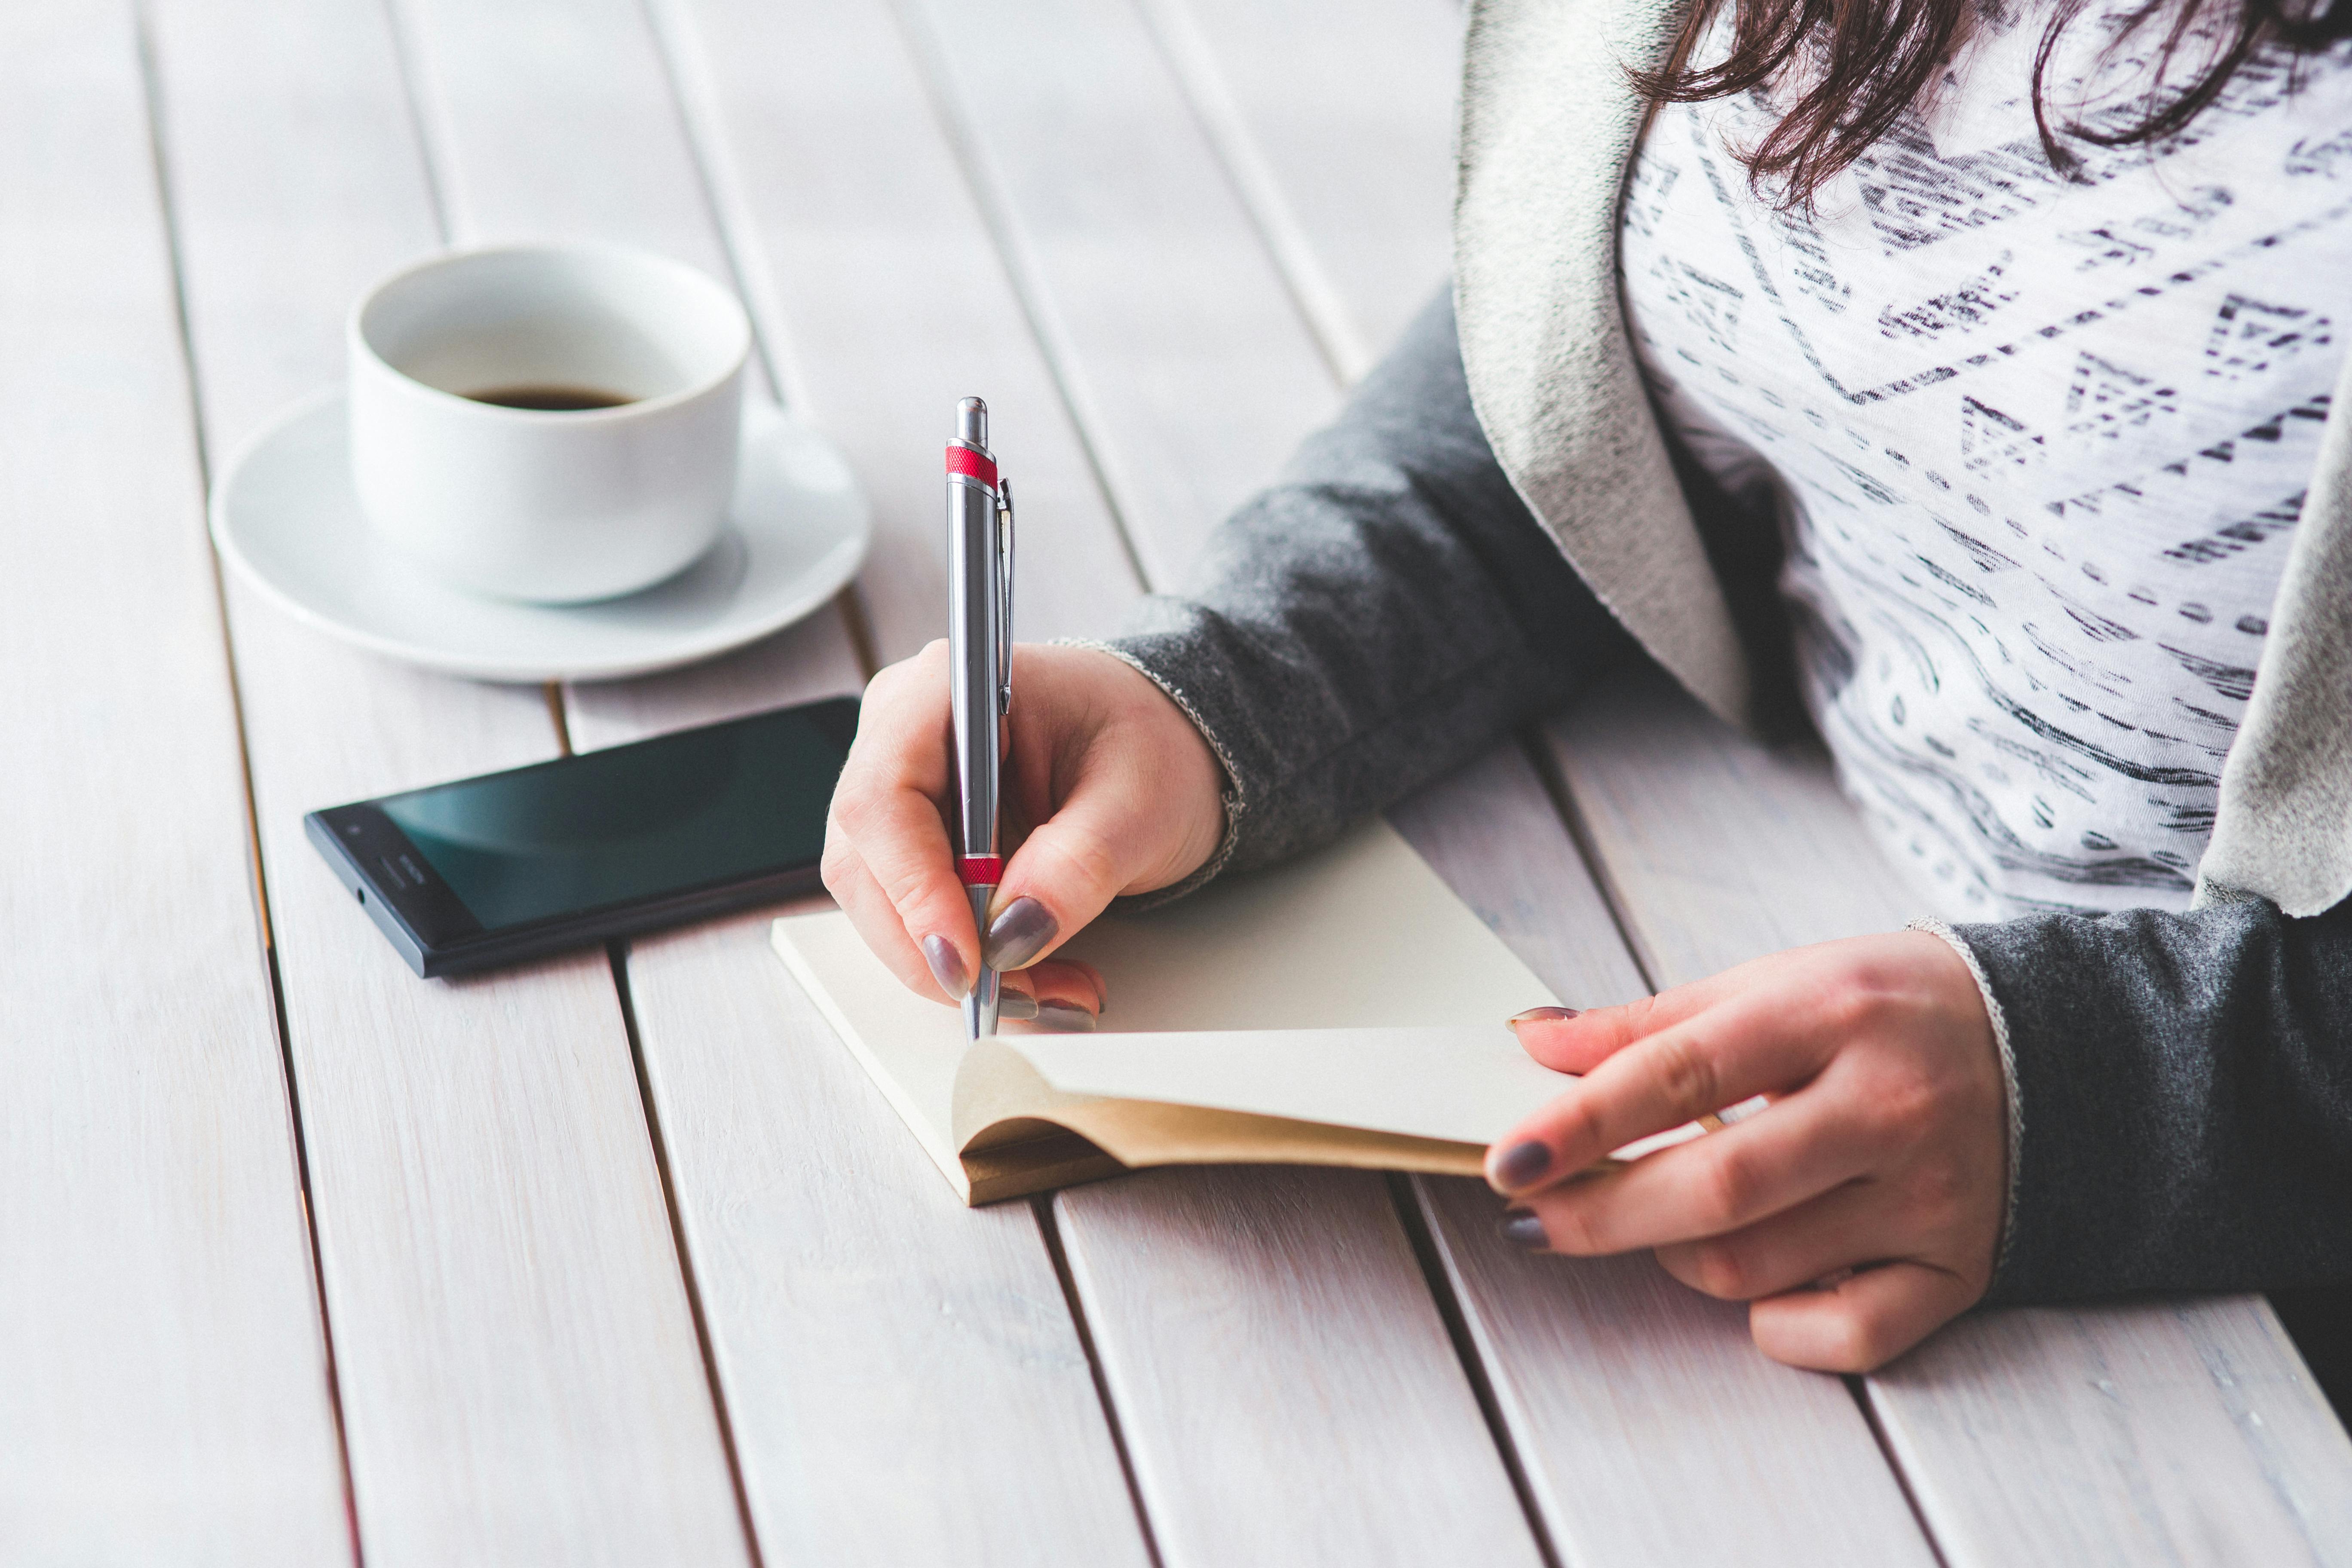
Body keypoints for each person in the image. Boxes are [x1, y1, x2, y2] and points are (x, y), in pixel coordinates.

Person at [824, 0, 2352, 1372]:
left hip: (2231, 1350)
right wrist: (1220, 685)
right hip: (1742, 891)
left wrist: (2116, 1096)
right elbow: (1624, 372)